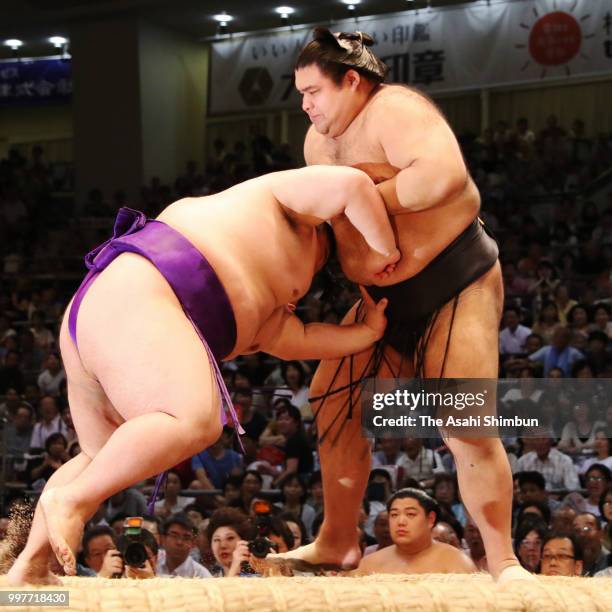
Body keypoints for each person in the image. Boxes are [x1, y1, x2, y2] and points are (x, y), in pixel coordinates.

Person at [8, 164, 398, 586]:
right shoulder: (279, 198)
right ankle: (73, 501)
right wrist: (386, 254)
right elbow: (354, 185)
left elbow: (296, 338)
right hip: (143, 290)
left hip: (102, 313)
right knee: (193, 420)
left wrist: (365, 332)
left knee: (97, 457)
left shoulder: (277, 288)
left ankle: (28, 570)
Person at [271, 27, 528, 582]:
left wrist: (361, 202)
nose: (306, 104)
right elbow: (326, 222)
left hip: (453, 282)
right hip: (379, 302)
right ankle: (338, 542)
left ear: (352, 81)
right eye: (301, 94)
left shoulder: (397, 111)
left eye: (314, 91)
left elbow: (441, 177)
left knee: (465, 420)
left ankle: (503, 560)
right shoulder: (318, 145)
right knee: (333, 400)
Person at [356, 489, 476, 574]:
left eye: (410, 514)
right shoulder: (369, 565)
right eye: (394, 515)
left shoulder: (456, 561)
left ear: (430, 519)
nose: (401, 521)